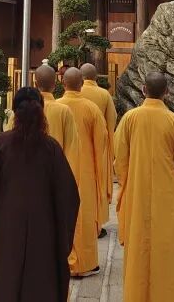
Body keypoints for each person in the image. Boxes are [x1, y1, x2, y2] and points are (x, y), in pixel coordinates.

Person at [0, 87, 80, 302]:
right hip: (44, 230)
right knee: (41, 282)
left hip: (6, 228)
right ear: (42, 112)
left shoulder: (1, 143)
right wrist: (60, 233)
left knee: (5, 278)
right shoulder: (51, 148)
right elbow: (69, 196)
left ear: (14, 112)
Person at [114, 71, 174, 302]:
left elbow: (120, 160)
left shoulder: (129, 119)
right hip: (167, 202)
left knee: (137, 256)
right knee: (165, 257)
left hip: (137, 198)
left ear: (143, 90)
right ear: (167, 93)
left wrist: (128, 185)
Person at [56, 67, 108, 278]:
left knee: (59, 215)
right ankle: (85, 263)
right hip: (85, 170)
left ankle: (60, 260)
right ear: (82, 84)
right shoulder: (92, 108)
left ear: (64, 83)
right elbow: (102, 142)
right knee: (84, 216)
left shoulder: (54, 107)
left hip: (59, 170)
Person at [79, 62, 117, 237]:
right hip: (98, 148)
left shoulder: (73, 93)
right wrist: (112, 149)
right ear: (95, 77)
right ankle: (96, 226)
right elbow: (111, 122)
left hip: (74, 148)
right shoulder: (104, 94)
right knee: (96, 186)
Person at [34, 64, 78, 166]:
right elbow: (72, 148)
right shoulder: (64, 111)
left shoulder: (21, 111)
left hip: (27, 173)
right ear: (54, 85)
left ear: (35, 84)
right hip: (55, 171)